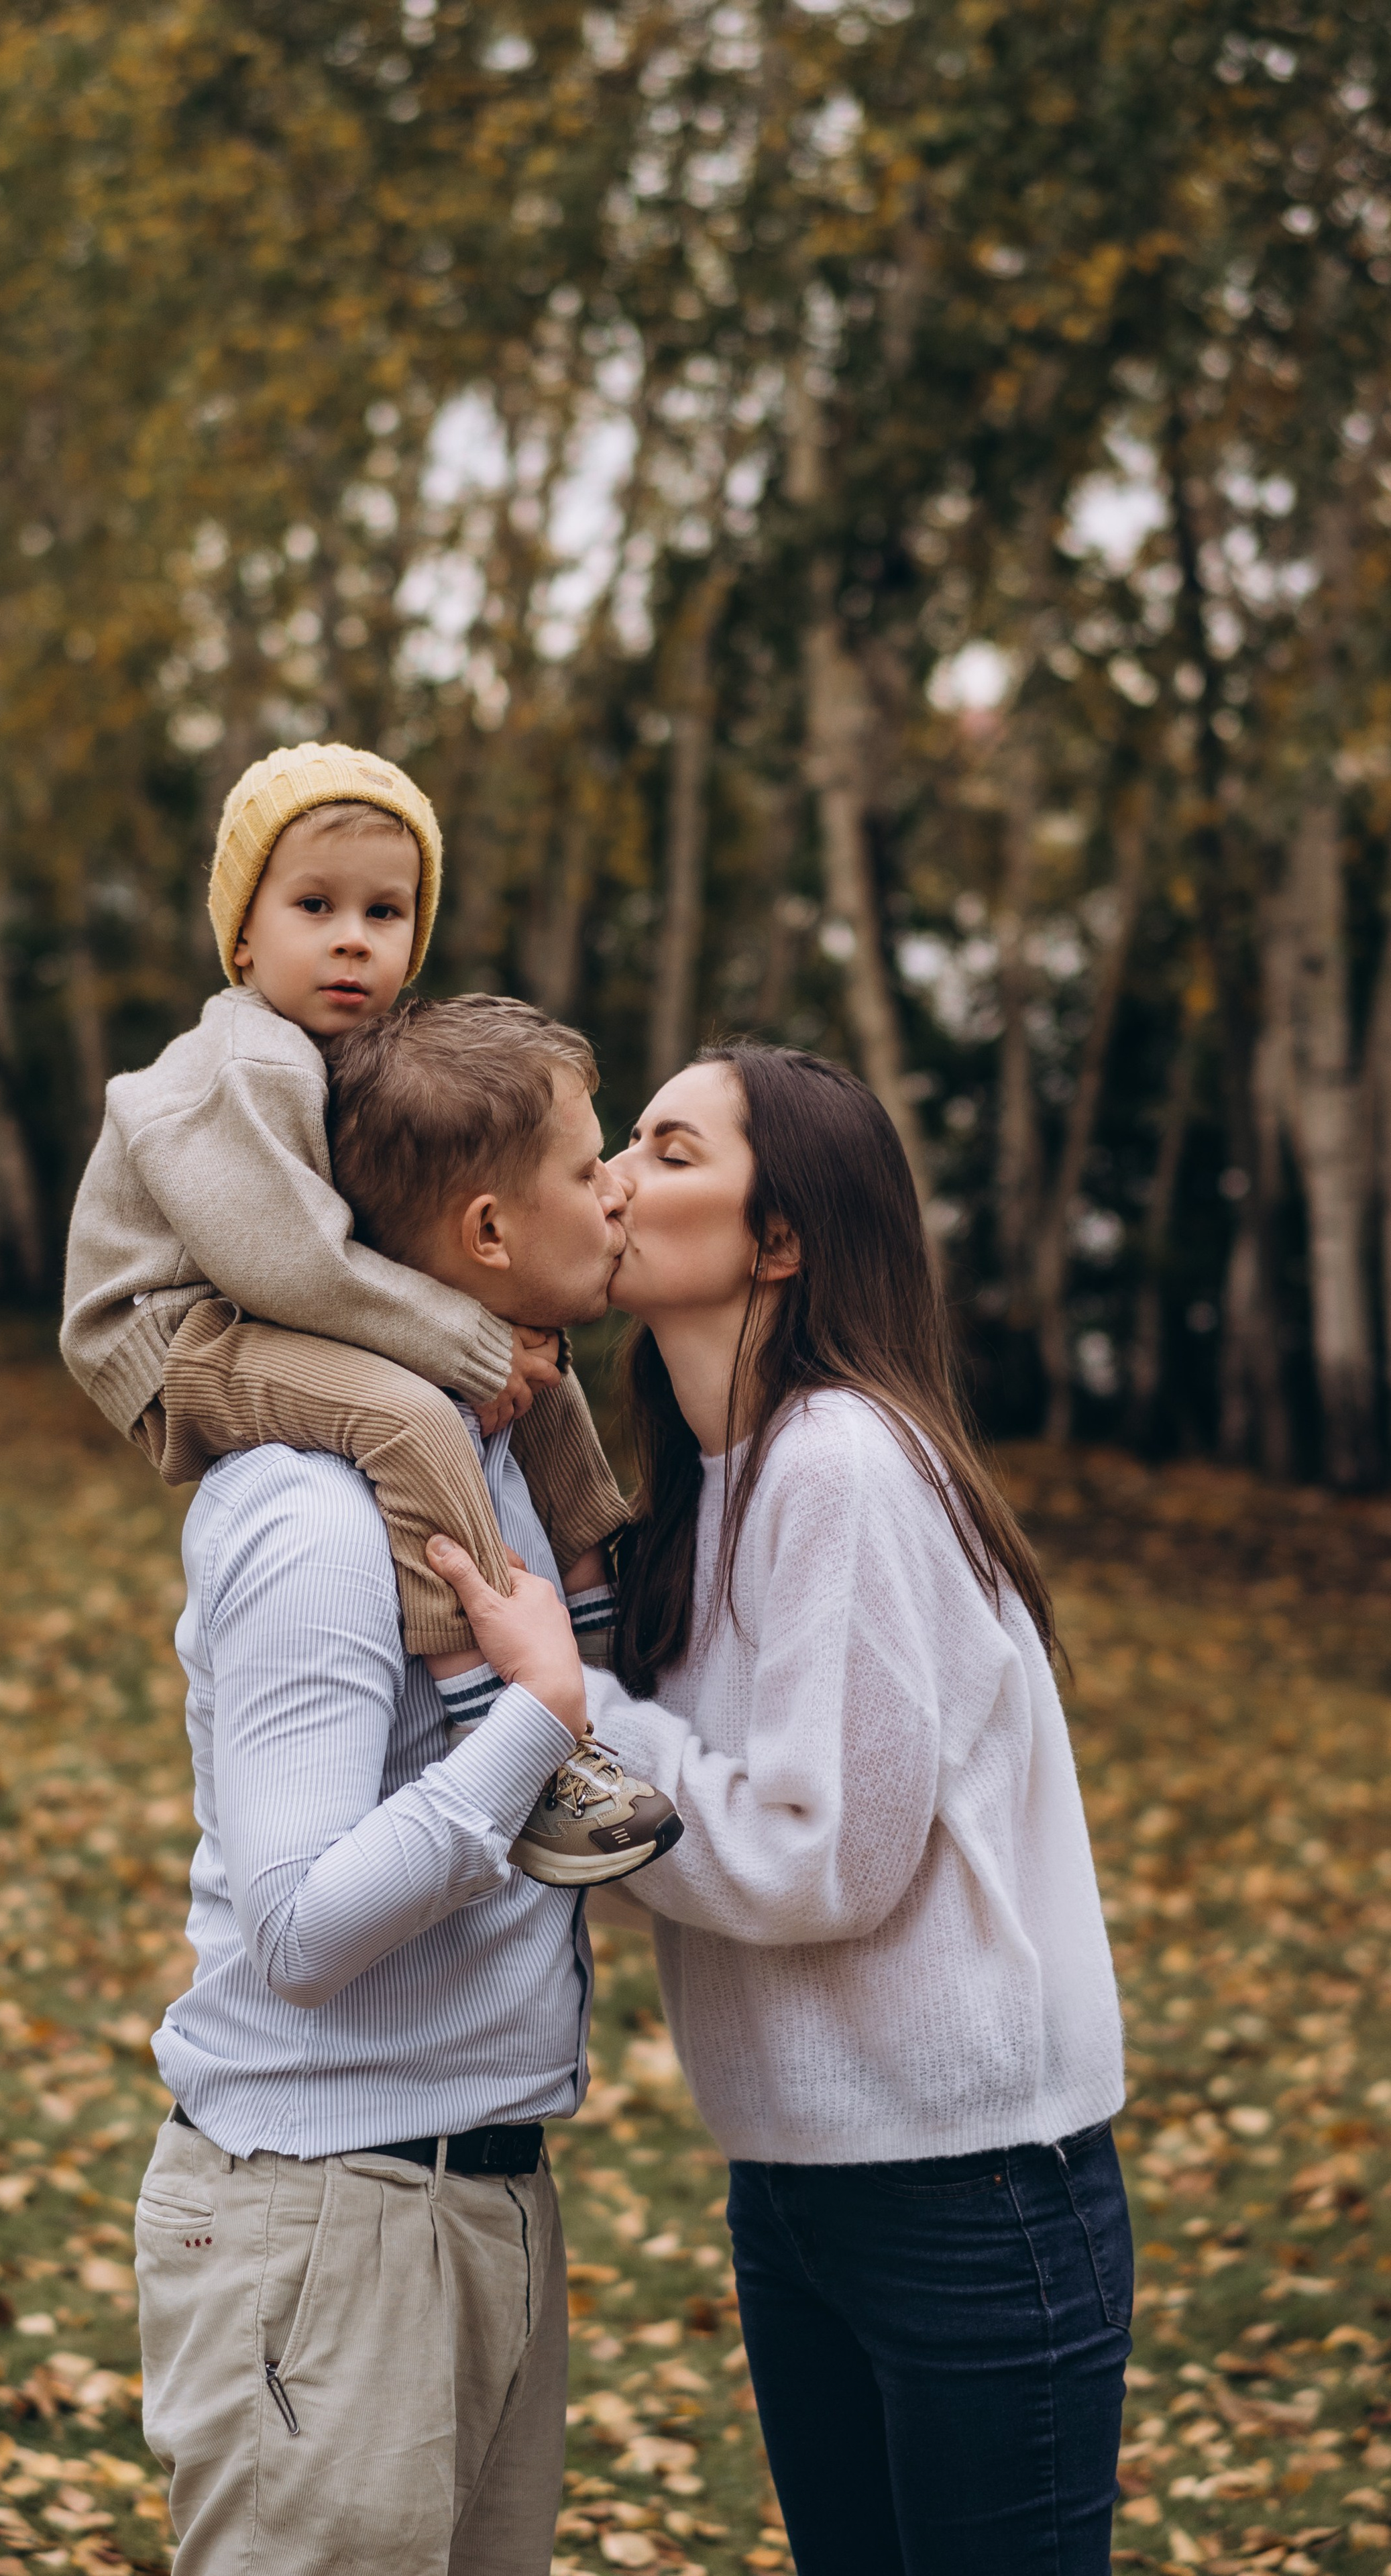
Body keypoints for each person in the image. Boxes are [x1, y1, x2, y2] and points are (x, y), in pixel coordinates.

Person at [429, 1042, 1131, 2576]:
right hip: (798, 2184)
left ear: (781, 1240)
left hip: (971, 2196)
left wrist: (571, 1709)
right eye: (621, 1143)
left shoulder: (840, 1467)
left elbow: (817, 1860)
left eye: (668, 1152)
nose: (611, 1177)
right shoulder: (707, 1484)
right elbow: (668, 1834)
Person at [135, 996, 667, 2576]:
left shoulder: (491, 1454)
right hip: (329, 2220)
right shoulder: (313, 1511)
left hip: (480, 2196)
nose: (618, 1189)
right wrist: (536, 1719)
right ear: (489, 1230)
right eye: (588, 1166)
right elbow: (298, 1931)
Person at [60, 738, 673, 1882]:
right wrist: (467, 1344)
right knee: (412, 1413)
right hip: (175, 1335)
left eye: (385, 913)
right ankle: (489, 1710)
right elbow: (289, 1264)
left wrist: (504, 1341)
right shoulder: (244, 1062)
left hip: (262, 1313)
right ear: (244, 938)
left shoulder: (346, 1055)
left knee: (537, 1357)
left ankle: (601, 1606)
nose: (353, 938)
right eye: (315, 906)